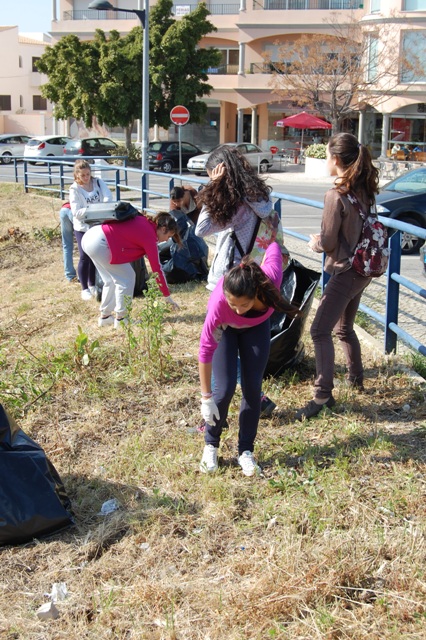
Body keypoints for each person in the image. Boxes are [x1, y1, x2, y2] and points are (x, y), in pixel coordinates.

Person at [295, 132, 380, 421]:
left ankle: (322, 396)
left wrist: (315, 244)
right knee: (344, 328)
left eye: (326, 157)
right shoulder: (364, 190)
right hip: (362, 269)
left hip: (344, 271)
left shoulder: (336, 195)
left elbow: (329, 241)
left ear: (334, 159)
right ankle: (356, 379)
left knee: (319, 330)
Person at [198, 242, 298, 475]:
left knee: (253, 389)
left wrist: (268, 244)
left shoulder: (271, 279)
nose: (238, 310)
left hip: (256, 328)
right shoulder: (219, 306)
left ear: (256, 293)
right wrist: (205, 398)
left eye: (244, 304)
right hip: (226, 330)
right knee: (224, 389)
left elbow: (273, 246)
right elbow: (205, 352)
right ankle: (210, 445)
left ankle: (245, 451)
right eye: (233, 303)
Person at [195, 144, 280, 418]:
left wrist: (212, 187)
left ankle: (213, 417)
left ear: (221, 173)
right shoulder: (260, 197)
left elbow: (201, 229)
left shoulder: (235, 205)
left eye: (212, 174)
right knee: (246, 348)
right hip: (257, 282)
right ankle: (257, 397)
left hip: (231, 285)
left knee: (219, 348)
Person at [82, 211, 180, 328]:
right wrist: (167, 297)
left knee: (110, 280)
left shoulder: (146, 222)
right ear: (163, 229)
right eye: (168, 236)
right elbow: (157, 269)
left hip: (90, 236)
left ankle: (105, 317)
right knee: (127, 278)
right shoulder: (150, 234)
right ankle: (122, 319)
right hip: (101, 242)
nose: (166, 240)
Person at [69, 159, 113, 301]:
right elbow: (76, 211)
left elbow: (108, 197)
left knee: (96, 253)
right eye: (83, 175)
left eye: (88, 174)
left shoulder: (98, 182)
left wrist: (102, 208)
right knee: (84, 256)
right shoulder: (74, 189)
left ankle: (92, 284)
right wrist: (92, 210)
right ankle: (84, 288)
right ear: (77, 175)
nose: (86, 177)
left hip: (98, 224)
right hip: (83, 226)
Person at [59, 203, 77, 282]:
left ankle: (70, 275)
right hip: (75, 211)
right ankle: (86, 274)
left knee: (67, 245)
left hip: (64, 209)